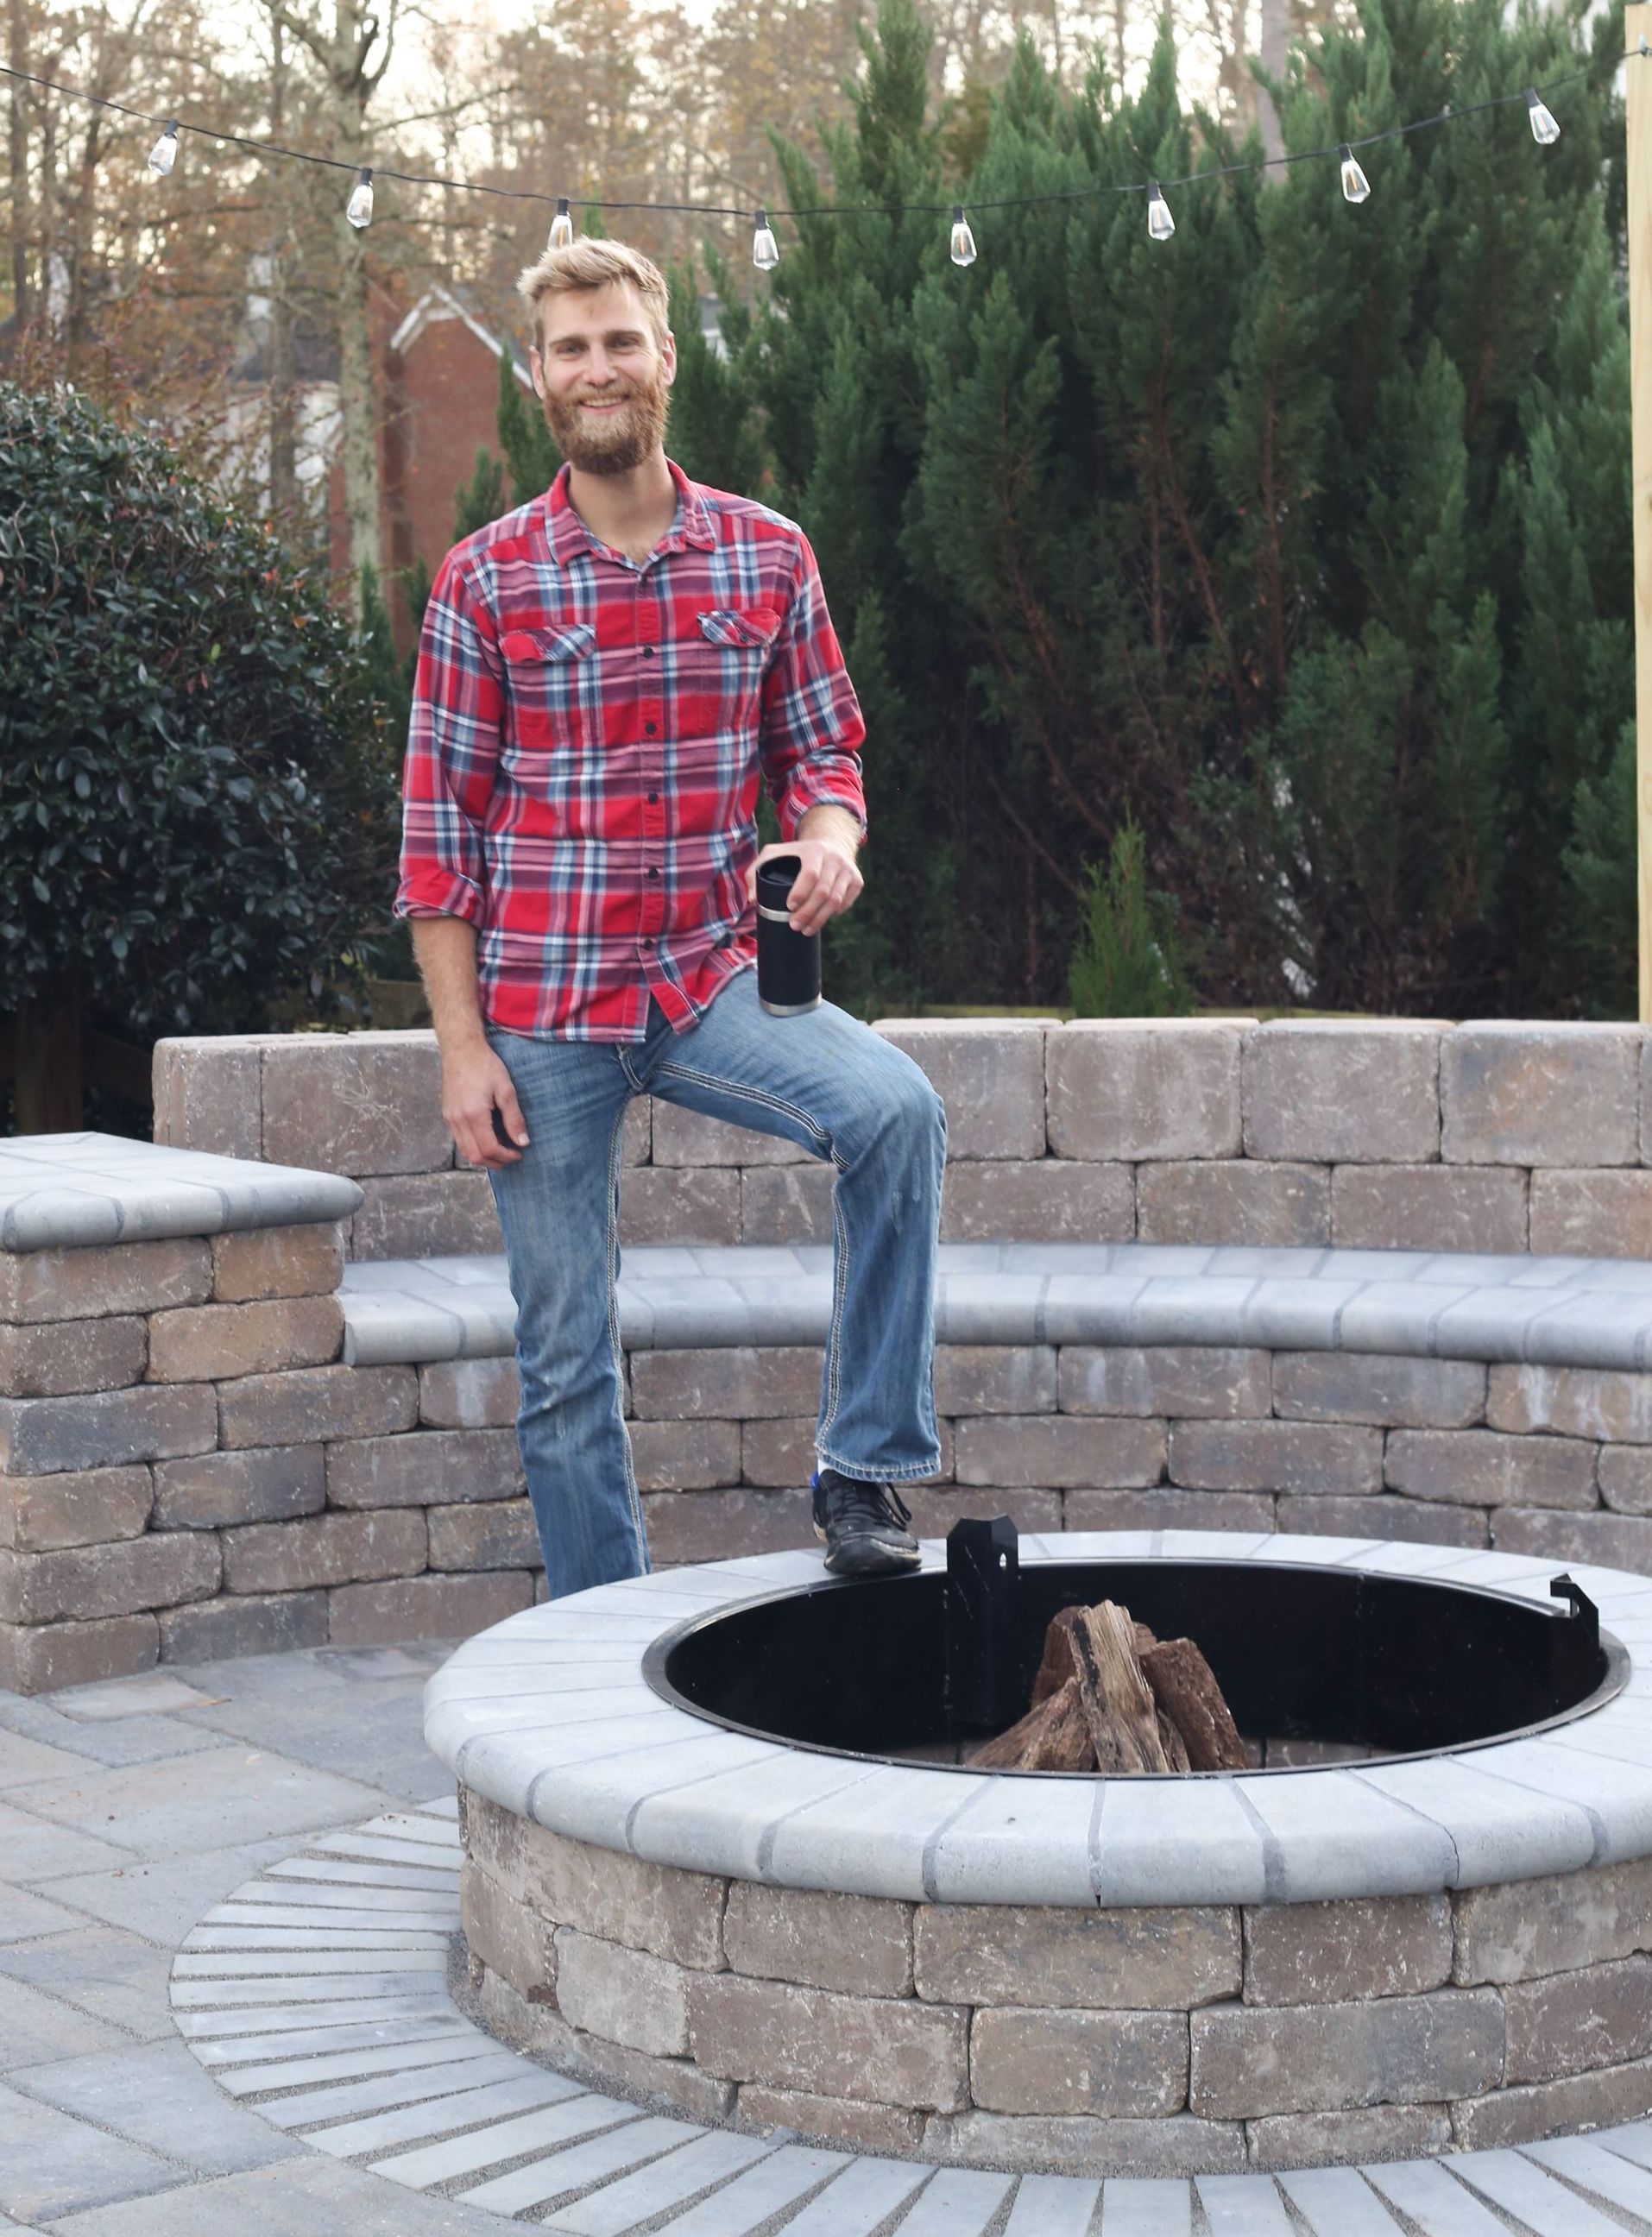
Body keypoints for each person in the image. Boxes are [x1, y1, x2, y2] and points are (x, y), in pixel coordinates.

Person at [395, 236, 947, 1599]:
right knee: (564, 1354)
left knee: (896, 1111)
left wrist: (828, 838)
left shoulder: (765, 554)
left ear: (663, 358)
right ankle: (600, 1635)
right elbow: (437, 842)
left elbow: (826, 750)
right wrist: (463, 1052)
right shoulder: (484, 579)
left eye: (620, 342)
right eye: (571, 348)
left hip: (713, 981)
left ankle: (862, 1469)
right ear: (539, 376)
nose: (598, 369)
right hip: (541, 1014)